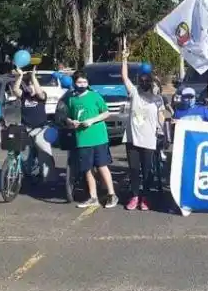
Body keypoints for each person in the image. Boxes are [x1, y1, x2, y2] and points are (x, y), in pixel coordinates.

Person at [121, 46, 165, 211]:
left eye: (147, 81)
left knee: (147, 170)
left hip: (149, 139)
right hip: (132, 138)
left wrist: (162, 131)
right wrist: (124, 58)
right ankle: (134, 196)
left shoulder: (157, 99)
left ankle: (145, 198)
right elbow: (124, 77)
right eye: (142, 80)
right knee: (133, 169)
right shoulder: (134, 93)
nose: (144, 83)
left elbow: (161, 116)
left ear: (151, 82)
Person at [66, 70, 118, 209]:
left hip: (98, 138)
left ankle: (112, 194)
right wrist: (72, 122)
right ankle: (93, 196)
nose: (82, 84)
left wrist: (91, 121)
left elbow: (106, 113)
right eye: (79, 82)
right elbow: (68, 116)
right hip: (82, 139)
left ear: (88, 83)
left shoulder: (95, 96)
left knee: (102, 166)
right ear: (74, 83)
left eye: (84, 82)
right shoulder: (72, 99)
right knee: (87, 169)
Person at [13, 68, 56, 182]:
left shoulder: (41, 96)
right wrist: (20, 76)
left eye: (33, 85)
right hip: (26, 129)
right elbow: (15, 90)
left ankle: (49, 180)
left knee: (45, 153)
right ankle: (25, 173)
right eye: (29, 85)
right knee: (22, 151)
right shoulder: (24, 96)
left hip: (40, 129)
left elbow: (40, 93)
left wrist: (33, 77)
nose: (31, 87)